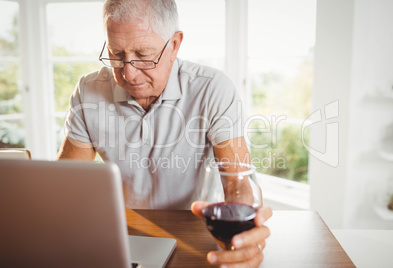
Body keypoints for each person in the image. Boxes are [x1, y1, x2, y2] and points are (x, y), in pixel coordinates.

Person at [56, 0, 272, 266]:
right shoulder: (88, 90)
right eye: (116, 53)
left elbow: (237, 181)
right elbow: (65, 184)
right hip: (123, 235)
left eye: (144, 55)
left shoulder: (213, 89)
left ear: (174, 45)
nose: (128, 73)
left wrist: (242, 231)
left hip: (193, 232)